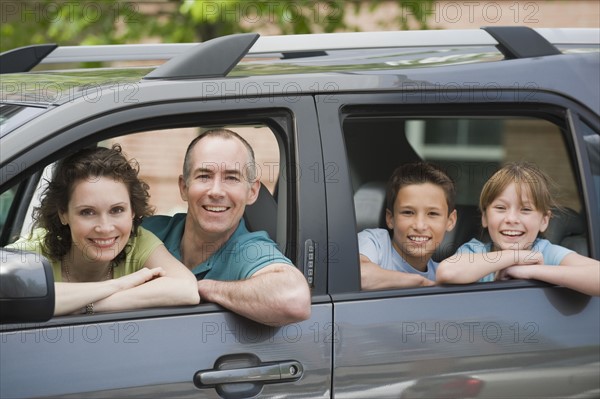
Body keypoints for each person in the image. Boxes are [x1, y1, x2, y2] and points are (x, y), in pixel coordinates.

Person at [142, 129, 311, 326]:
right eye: (204, 175)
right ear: (184, 187)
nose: (216, 191)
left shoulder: (250, 250)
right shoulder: (147, 232)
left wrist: (196, 288)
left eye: (231, 178)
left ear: (252, 192)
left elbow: (294, 300)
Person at [6, 145, 199, 316]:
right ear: (63, 214)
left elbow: (187, 288)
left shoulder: (138, 242)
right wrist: (117, 285)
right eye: (87, 212)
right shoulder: (37, 249)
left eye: (117, 210)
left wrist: (88, 305)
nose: (105, 227)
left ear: (133, 211)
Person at [436, 162, 600, 296]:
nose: (512, 219)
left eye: (526, 210)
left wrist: (529, 271)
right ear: (485, 218)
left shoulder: (547, 253)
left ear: (544, 220)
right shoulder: (474, 251)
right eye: (501, 208)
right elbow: (447, 272)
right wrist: (517, 256)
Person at [358, 162, 457, 290]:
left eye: (432, 213)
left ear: (450, 221)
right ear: (390, 218)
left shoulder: (441, 274)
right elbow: (360, 276)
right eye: (408, 212)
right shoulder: (375, 242)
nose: (420, 226)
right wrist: (419, 282)